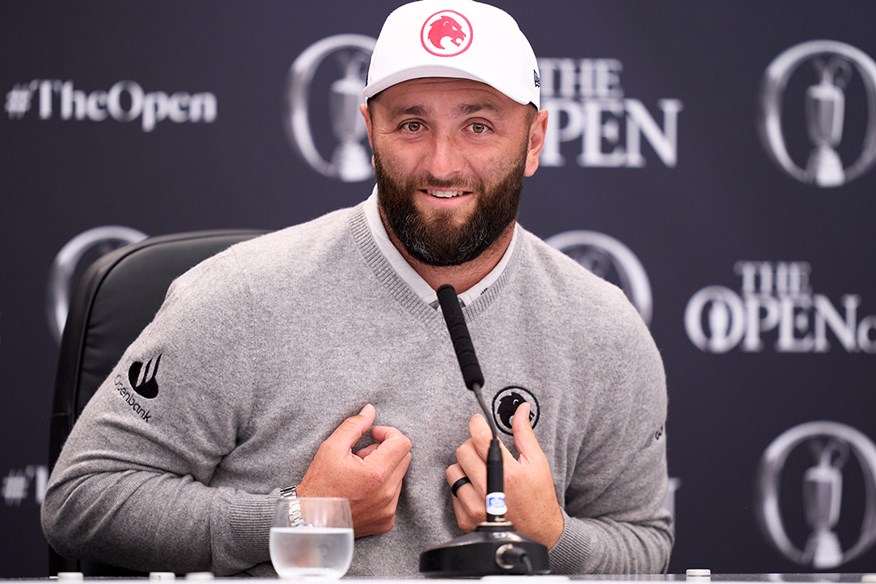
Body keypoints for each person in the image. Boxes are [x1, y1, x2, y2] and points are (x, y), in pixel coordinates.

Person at [42, 0, 672, 576]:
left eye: (479, 126)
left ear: (533, 141)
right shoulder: (245, 295)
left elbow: (643, 544)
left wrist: (551, 537)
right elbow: (82, 500)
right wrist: (298, 518)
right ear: (369, 129)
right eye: (412, 125)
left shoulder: (601, 327)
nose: (442, 164)